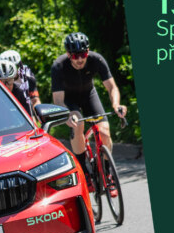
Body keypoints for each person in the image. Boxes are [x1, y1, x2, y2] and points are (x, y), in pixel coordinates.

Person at [51, 32, 127, 191]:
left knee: (105, 131)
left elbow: (112, 87)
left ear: (88, 51)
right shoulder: (58, 66)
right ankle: (84, 171)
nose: (79, 59)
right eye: (75, 55)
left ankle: (107, 172)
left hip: (89, 95)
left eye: (83, 54)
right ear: (68, 54)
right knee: (78, 123)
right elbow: (58, 100)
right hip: (69, 100)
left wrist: (116, 105)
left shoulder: (96, 59)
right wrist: (67, 116)